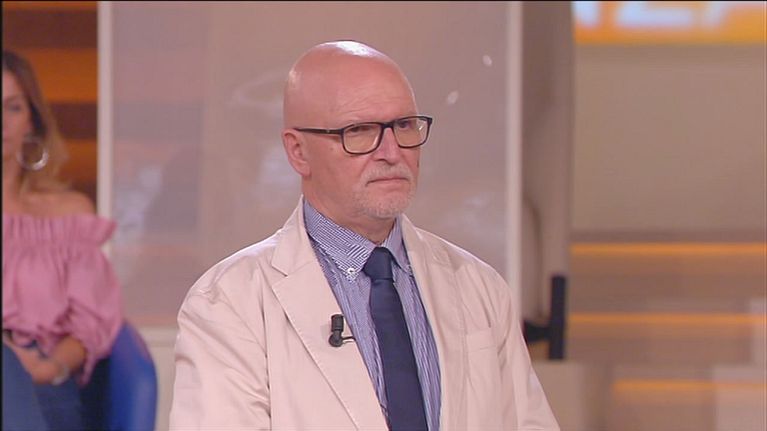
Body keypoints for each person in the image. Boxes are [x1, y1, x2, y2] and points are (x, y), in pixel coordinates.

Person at [170, 40, 559, 430]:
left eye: (403, 126)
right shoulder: (227, 304)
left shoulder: (480, 287)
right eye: (359, 131)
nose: (392, 151)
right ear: (298, 151)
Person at [2, 49, 123, 430]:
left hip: (42, 379)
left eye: (13, 107)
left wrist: (48, 368)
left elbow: (89, 322)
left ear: (32, 120)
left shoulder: (69, 215)